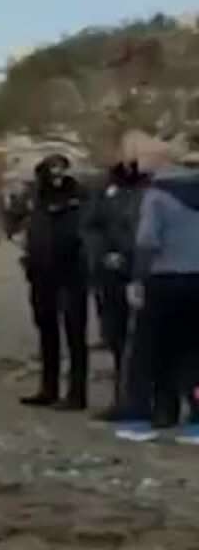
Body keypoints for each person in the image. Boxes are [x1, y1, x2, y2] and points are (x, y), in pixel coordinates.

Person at [115, 133, 199, 444]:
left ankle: (136, 418)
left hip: (162, 279)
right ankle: (196, 423)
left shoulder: (158, 193)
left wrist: (137, 278)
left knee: (145, 352)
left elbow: (148, 240)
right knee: (194, 355)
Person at [19, 155, 90, 411]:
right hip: (41, 274)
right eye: (51, 169)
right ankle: (48, 388)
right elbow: (32, 232)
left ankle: (76, 392)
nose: (56, 175)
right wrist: (29, 259)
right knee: (47, 333)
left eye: (60, 168)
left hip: (72, 274)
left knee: (75, 335)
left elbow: (85, 233)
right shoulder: (36, 199)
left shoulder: (79, 197)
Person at [83, 161, 148, 419]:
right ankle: (126, 400)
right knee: (118, 340)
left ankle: (162, 404)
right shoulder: (105, 191)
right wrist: (103, 255)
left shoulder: (156, 190)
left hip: (151, 273)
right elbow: (91, 227)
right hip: (114, 276)